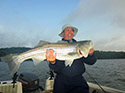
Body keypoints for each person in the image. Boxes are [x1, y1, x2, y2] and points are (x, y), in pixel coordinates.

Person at [46, 24, 97, 93]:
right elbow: (55, 68)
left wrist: (91, 54)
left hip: (78, 80)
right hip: (61, 82)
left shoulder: (80, 47)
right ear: (63, 34)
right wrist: (53, 62)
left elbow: (91, 62)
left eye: (72, 30)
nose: (70, 32)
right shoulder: (56, 46)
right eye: (67, 30)